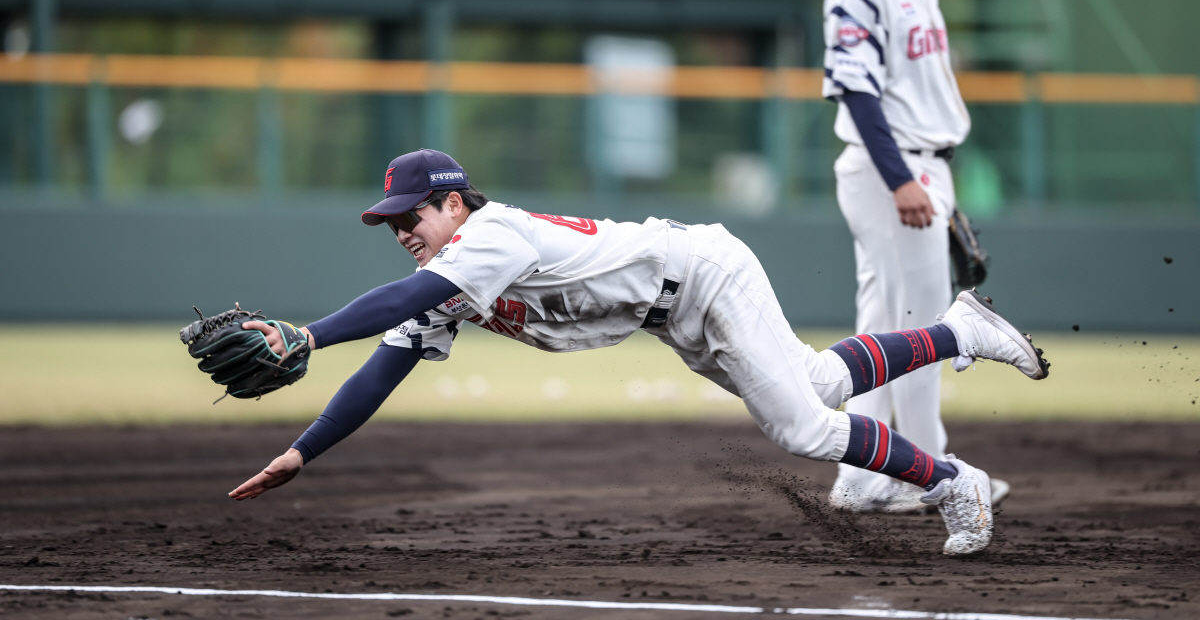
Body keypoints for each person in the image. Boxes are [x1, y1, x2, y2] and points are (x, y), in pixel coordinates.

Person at [229, 148, 1048, 556]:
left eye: (412, 215)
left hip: (701, 274)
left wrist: (306, 336)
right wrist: (303, 452)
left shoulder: (488, 237)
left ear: (452, 203)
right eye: (392, 222)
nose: (402, 230)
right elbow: (389, 361)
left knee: (801, 427)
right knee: (818, 382)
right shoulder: (450, 274)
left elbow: (398, 305)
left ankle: (952, 482)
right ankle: (962, 329)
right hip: (674, 310)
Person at [820, 0, 1000, 514]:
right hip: (894, 168)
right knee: (924, 328)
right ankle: (935, 472)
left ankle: (866, 474)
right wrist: (903, 179)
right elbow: (858, 93)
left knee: (884, 326)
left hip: (921, 167)